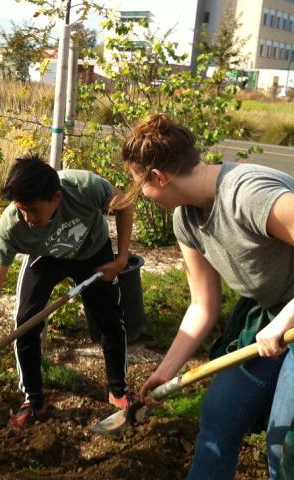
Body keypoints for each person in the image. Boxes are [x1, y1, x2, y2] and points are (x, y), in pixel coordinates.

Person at [121, 113, 294, 480]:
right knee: (218, 418)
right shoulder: (185, 220)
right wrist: (165, 372)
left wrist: (285, 320)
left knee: (286, 445)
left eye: (140, 186)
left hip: (287, 318)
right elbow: (203, 305)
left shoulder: (249, 193)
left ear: (159, 177)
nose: (144, 196)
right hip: (272, 316)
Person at [0, 153, 135, 428]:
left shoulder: (84, 187)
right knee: (25, 324)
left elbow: (125, 204)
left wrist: (121, 259)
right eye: (22, 210)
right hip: (44, 258)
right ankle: (33, 400)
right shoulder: (11, 226)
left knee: (109, 318)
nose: (28, 218)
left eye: (34, 211)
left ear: (56, 199)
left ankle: (117, 391)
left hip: (92, 251)